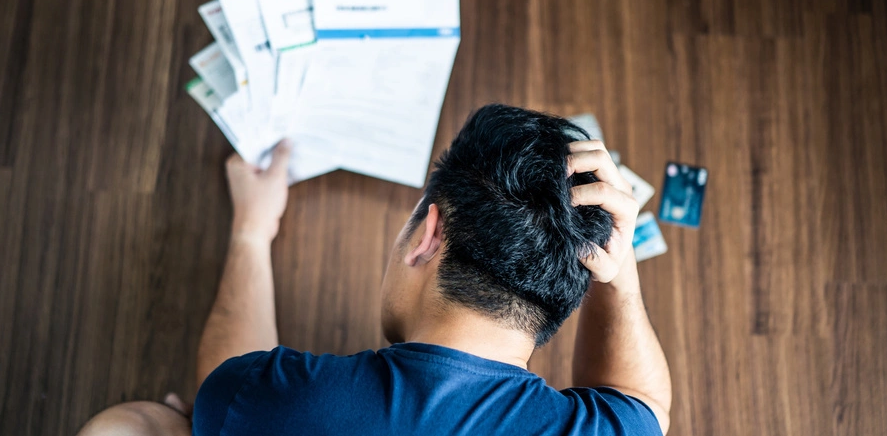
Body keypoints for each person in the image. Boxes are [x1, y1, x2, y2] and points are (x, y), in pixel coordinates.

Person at [77, 104, 671, 436]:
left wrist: (251, 231)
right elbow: (641, 403)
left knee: (129, 427)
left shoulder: (274, 404)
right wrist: (621, 278)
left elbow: (229, 383)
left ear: (427, 236)